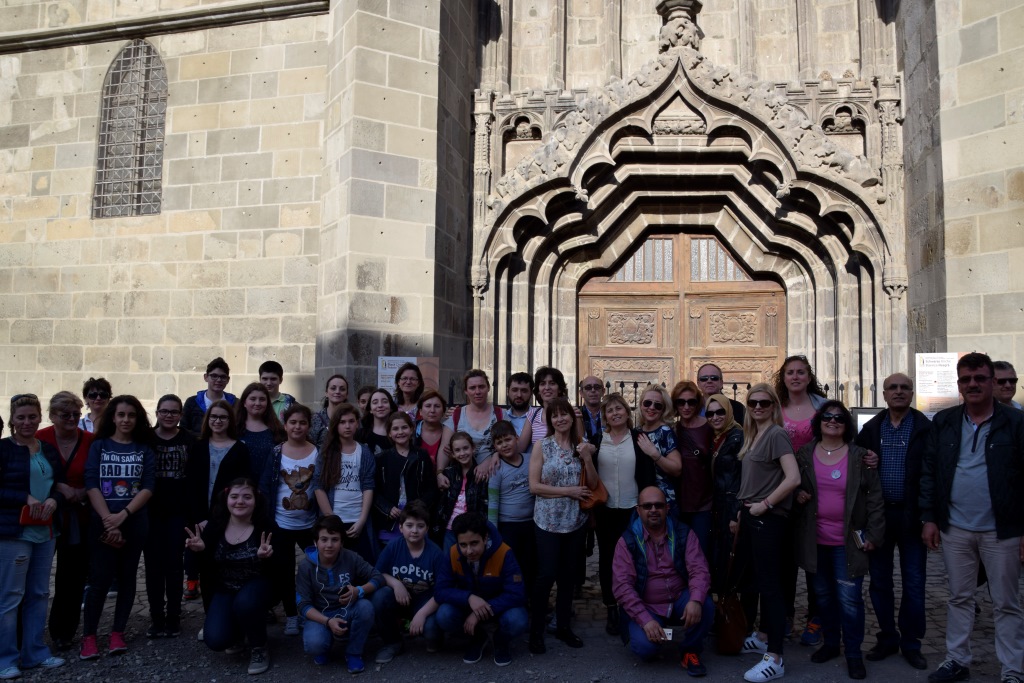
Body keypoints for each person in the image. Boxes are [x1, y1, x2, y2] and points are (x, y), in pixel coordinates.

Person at [920, 352, 1024, 683]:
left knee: (1006, 602)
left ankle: (1012, 670)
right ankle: (957, 660)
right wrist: (930, 518)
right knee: (960, 597)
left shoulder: (1016, 422)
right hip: (956, 527)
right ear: (959, 384)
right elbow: (930, 471)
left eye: (980, 378)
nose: (973, 384)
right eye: (966, 379)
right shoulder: (945, 421)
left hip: (1002, 529)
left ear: (992, 381)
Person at [793, 401, 884, 680]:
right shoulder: (805, 453)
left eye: (839, 418)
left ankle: (854, 654)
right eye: (827, 417)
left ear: (847, 424)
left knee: (850, 600)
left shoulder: (860, 456)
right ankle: (831, 644)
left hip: (847, 542)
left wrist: (874, 534)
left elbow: (875, 497)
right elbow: (792, 482)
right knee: (823, 596)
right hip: (815, 540)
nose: (832, 421)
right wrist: (798, 494)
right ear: (819, 422)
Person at [855, 373, 930, 670]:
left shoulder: (925, 428)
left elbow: (933, 473)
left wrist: (930, 517)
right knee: (880, 582)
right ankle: (887, 637)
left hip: (912, 516)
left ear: (912, 393)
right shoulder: (871, 429)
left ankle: (911, 643)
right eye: (893, 388)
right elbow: (856, 468)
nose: (898, 392)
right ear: (884, 394)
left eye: (904, 387)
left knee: (914, 582)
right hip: (880, 516)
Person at [80, 395, 156, 660]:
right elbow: (91, 482)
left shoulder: (144, 449)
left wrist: (123, 515)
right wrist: (108, 519)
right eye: (121, 414)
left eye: (131, 415)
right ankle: (89, 636)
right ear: (112, 417)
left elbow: (148, 486)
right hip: (102, 522)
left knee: (127, 578)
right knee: (99, 580)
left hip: (133, 522)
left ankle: (117, 632)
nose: (126, 420)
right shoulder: (99, 446)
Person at [734, 383, 800, 683]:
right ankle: (762, 637)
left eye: (764, 402)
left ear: (774, 406)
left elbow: (793, 477)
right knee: (756, 581)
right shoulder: (754, 435)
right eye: (753, 403)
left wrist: (766, 504)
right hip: (752, 516)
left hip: (768, 519)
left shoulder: (776, 434)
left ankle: (775, 658)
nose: (758, 407)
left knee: (771, 587)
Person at [612, 486, 715, 676]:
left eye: (658, 505)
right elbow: (622, 587)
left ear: (667, 508)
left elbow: (699, 569)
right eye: (647, 506)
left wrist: (695, 600)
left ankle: (690, 650)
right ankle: (655, 637)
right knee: (645, 648)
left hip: (679, 599)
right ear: (638, 510)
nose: (653, 510)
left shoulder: (684, 532)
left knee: (705, 605)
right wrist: (645, 620)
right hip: (648, 606)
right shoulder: (627, 541)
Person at [0, 394, 67, 678]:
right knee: (10, 596)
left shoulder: (47, 449)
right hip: (14, 533)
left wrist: (54, 500)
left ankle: (35, 652)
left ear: (40, 417)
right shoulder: (3, 449)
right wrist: (23, 497)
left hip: (45, 531)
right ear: (12, 420)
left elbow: (58, 483)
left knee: (39, 593)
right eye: (21, 417)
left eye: (32, 417)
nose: (27, 422)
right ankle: (5, 659)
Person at [582, 393, 657, 636]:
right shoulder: (597, 440)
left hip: (632, 509)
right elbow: (590, 476)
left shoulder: (638, 438)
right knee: (607, 559)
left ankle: (633, 606)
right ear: (605, 416)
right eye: (610, 410)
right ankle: (611, 607)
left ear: (627, 411)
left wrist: (646, 507)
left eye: (619, 409)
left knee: (635, 559)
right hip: (605, 509)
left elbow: (647, 475)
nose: (615, 413)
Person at [185, 478, 275, 676]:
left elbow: (280, 568)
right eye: (234, 496)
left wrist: (267, 558)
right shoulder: (216, 526)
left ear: (256, 500)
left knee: (246, 603)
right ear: (226, 499)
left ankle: (259, 646)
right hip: (225, 588)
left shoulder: (265, 525)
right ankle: (239, 632)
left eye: (247, 497)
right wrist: (199, 551)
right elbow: (205, 569)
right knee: (216, 640)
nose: (240, 501)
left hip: (257, 588)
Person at [527, 397, 594, 654]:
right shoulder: (542, 446)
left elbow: (592, 483)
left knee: (568, 577)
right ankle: (536, 631)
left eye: (564, 414)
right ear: (550, 420)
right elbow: (534, 487)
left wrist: (588, 458)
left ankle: (563, 626)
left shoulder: (582, 445)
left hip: (575, 521)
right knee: (546, 575)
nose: (560, 419)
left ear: (571, 417)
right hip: (547, 522)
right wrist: (569, 491)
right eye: (554, 415)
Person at [775, 354, 828, 646]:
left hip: (816, 492)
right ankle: (784, 616)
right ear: (783, 378)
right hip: (782, 489)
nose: (795, 377)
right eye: (790, 372)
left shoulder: (823, 408)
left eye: (800, 372)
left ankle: (816, 618)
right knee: (784, 560)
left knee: (813, 560)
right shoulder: (774, 408)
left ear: (809, 377)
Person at [36, 391, 93, 651]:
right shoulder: (40, 439)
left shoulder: (89, 441)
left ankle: (63, 632)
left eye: (75, 414)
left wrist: (83, 492)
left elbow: (97, 474)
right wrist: (59, 487)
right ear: (52, 416)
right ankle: (27, 634)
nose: (71, 419)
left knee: (72, 576)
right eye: (65, 414)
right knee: (36, 578)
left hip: (78, 516)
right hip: (44, 515)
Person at [434, 512, 528, 667]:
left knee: (518, 619)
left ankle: (500, 640)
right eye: (463, 545)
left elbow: (517, 594)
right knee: (444, 615)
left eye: (474, 543)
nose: (469, 551)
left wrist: (481, 611)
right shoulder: (452, 553)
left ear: (485, 538)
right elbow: (440, 591)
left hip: (499, 609)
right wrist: (469, 598)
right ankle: (477, 637)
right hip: (467, 607)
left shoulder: (504, 553)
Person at [259, 403, 319, 637]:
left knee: (317, 568)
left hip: (311, 525)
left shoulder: (317, 452)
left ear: (309, 426)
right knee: (284, 572)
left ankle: (315, 611)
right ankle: (292, 615)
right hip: (281, 524)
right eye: (293, 422)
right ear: (285, 425)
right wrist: (267, 520)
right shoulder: (276, 452)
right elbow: (265, 485)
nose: (297, 427)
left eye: (302, 423)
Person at [296, 514, 383, 673]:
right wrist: (328, 621)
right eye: (324, 539)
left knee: (365, 607)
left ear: (342, 542)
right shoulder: (305, 566)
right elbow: (303, 604)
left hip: (346, 610)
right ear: (315, 542)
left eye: (335, 539)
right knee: (315, 645)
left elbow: (378, 577)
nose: (329, 545)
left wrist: (359, 590)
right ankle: (324, 644)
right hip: (321, 615)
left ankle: (353, 652)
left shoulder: (351, 557)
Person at [144, 394, 195, 638]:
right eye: (164, 411)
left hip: (178, 511)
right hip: (151, 512)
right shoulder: (146, 438)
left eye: (174, 411)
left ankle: (174, 617)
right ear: (157, 413)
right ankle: (156, 617)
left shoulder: (189, 440)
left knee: (174, 566)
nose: (169, 415)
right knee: (153, 566)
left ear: (180, 415)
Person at [372, 501, 444, 662]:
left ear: (427, 528)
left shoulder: (436, 553)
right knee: (379, 596)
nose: (414, 530)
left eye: (420, 526)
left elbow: (442, 591)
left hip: (425, 602)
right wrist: (396, 584)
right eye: (409, 525)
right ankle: (393, 643)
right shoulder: (393, 547)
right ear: (401, 527)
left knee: (431, 632)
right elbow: (377, 573)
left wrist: (421, 614)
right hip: (400, 599)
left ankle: (435, 636)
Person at [313, 403, 377, 562]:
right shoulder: (326, 452)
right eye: (342, 422)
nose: (347, 426)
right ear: (335, 425)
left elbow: (368, 486)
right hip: (335, 518)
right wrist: (331, 519)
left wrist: (362, 520)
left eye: (351, 421)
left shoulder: (364, 452)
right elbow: (318, 486)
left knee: (363, 563)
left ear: (357, 423)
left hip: (357, 519)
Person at [486, 420, 538, 610]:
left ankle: (532, 600)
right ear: (495, 447)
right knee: (512, 566)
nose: (505, 445)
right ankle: (515, 601)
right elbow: (493, 503)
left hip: (531, 523)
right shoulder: (496, 468)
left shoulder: (530, 460)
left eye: (508, 440)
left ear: (517, 438)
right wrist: (493, 533)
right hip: (508, 526)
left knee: (531, 564)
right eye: (499, 443)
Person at [374, 412, 438, 550]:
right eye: (395, 429)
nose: (400, 432)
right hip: (391, 522)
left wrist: (418, 507)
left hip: (417, 519)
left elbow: (431, 488)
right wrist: (388, 508)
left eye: (404, 427)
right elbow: (375, 491)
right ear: (389, 433)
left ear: (411, 429)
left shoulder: (422, 455)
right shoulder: (382, 459)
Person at [705, 394, 745, 600]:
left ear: (728, 411)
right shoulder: (711, 437)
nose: (715, 417)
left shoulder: (738, 437)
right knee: (716, 559)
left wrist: (736, 512)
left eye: (720, 412)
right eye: (710, 413)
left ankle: (729, 608)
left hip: (730, 508)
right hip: (715, 508)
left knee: (729, 561)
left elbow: (742, 477)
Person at [671, 380, 714, 556]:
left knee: (701, 553)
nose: (686, 407)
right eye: (681, 402)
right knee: (680, 553)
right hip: (679, 502)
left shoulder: (709, 427)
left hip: (704, 502)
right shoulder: (673, 429)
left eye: (691, 402)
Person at [441, 369, 506, 476]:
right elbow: (444, 449)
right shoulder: (456, 415)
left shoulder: (501, 414)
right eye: (472, 388)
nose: (477, 391)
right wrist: (439, 473)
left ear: (488, 388)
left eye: (481, 386)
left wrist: (493, 457)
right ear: (466, 391)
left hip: (494, 475)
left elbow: (510, 445)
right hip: (462, 477)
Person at [434, 431, 488, 550]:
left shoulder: (480, 474)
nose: (462, 453)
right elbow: (442, 504)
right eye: (457, 450)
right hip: (449, 529)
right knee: (449, 559)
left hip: (471, 531)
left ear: (473, 448)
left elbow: (483, 506)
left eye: (465, 448)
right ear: (452, 454)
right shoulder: (448, 473)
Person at [635, 384, 683, 514]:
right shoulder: (637, 431)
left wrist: (654, 454)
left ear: (663, 410)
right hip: (641, 500)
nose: (651, 407)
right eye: (647, 403)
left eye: (658, 405)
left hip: (662, 502)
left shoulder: (664, 432)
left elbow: (677, 469)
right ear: (641, 405)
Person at [235, 383, 285, 485]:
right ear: (244, 402)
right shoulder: (233, 429)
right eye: (253, 399)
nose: (257, 403)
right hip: (240, 488)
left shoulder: (277, 431)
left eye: (262, 399)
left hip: (268, 487)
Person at [181, 357, 237, 434]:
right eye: (214, 376)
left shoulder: (235, 404)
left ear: (228, 380)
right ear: (206, 377)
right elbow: (183, 430)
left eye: (223, 377)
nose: (219, 380)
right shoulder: (192, 403)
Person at [310, 374, 350, 448]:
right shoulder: (316, 418)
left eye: (342, 389)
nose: (337, 392)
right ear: (326, 393)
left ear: (347, 394)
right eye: (333, 388)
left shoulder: (352, 418)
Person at [414, 389, 452, 467]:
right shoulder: (411, 432)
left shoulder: (450, 433)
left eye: (437, 406)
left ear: (443, 412)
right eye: (428, 406)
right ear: (420, 411)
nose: (432, 410)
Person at [358, 388, 398, 455]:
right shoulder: (361, 434)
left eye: (384, 401)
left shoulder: (399, 433)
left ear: (391, 407)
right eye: (375, 402)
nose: (380, 405)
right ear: (370, 409)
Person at [504, 372, 538, 439]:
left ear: (531, 393)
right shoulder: (501, 417)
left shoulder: (539, 416)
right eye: (514, 390)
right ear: (508, 391)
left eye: (524, 391)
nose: (519, 395)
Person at [579, 375, 605, 439]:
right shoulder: (576, 416)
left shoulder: (610, 414)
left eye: (597, 387)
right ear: (581, 393)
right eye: (588, 387)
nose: (593, 390)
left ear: (603, 391)